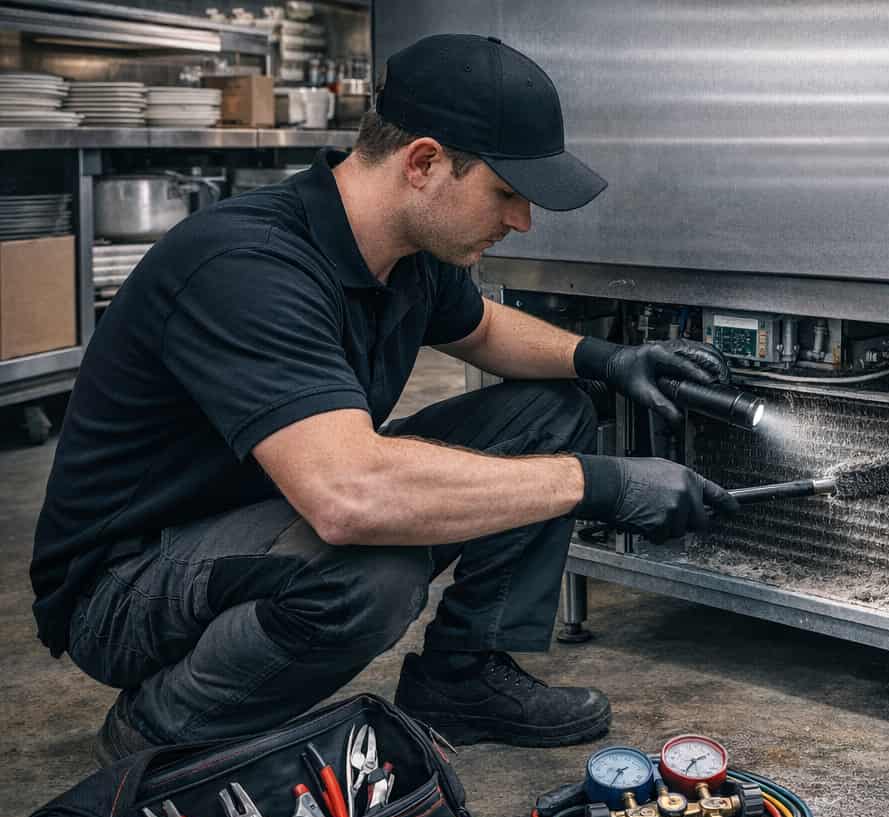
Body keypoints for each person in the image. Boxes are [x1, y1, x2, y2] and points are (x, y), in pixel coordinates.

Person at [29, 34, 739, 765]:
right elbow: (350, 496)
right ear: (424, 163)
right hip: (127, 585)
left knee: (550, 411)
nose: (522, 220)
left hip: (261, 514)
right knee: (372, 568)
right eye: (506, 193)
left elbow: (484, 327)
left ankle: (461, 678)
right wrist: (601, 484)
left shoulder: (405, 253)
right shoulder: (247, 266)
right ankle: (160, 736)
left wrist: (609, 360)